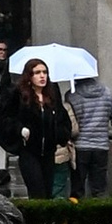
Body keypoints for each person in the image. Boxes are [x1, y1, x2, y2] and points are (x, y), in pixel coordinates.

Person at [10, 57, 73, 203]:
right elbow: (7, 118)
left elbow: (62, 119)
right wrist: (20, 130)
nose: (42, 76)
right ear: (29, 76)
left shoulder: (52, 94)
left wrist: (58, 134)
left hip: (49, 152)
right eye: (37, 72)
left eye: (44, 72)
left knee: (47, 192)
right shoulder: (19, 94)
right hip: (29, 151)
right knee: (37, 192)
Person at [67, 64, 112, 200]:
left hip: (80, 147)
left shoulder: (71, 96)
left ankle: (77, 217)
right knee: (99, 189)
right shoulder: (107, 93)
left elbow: (69, 122)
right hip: (101, 146)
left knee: (77, 188)